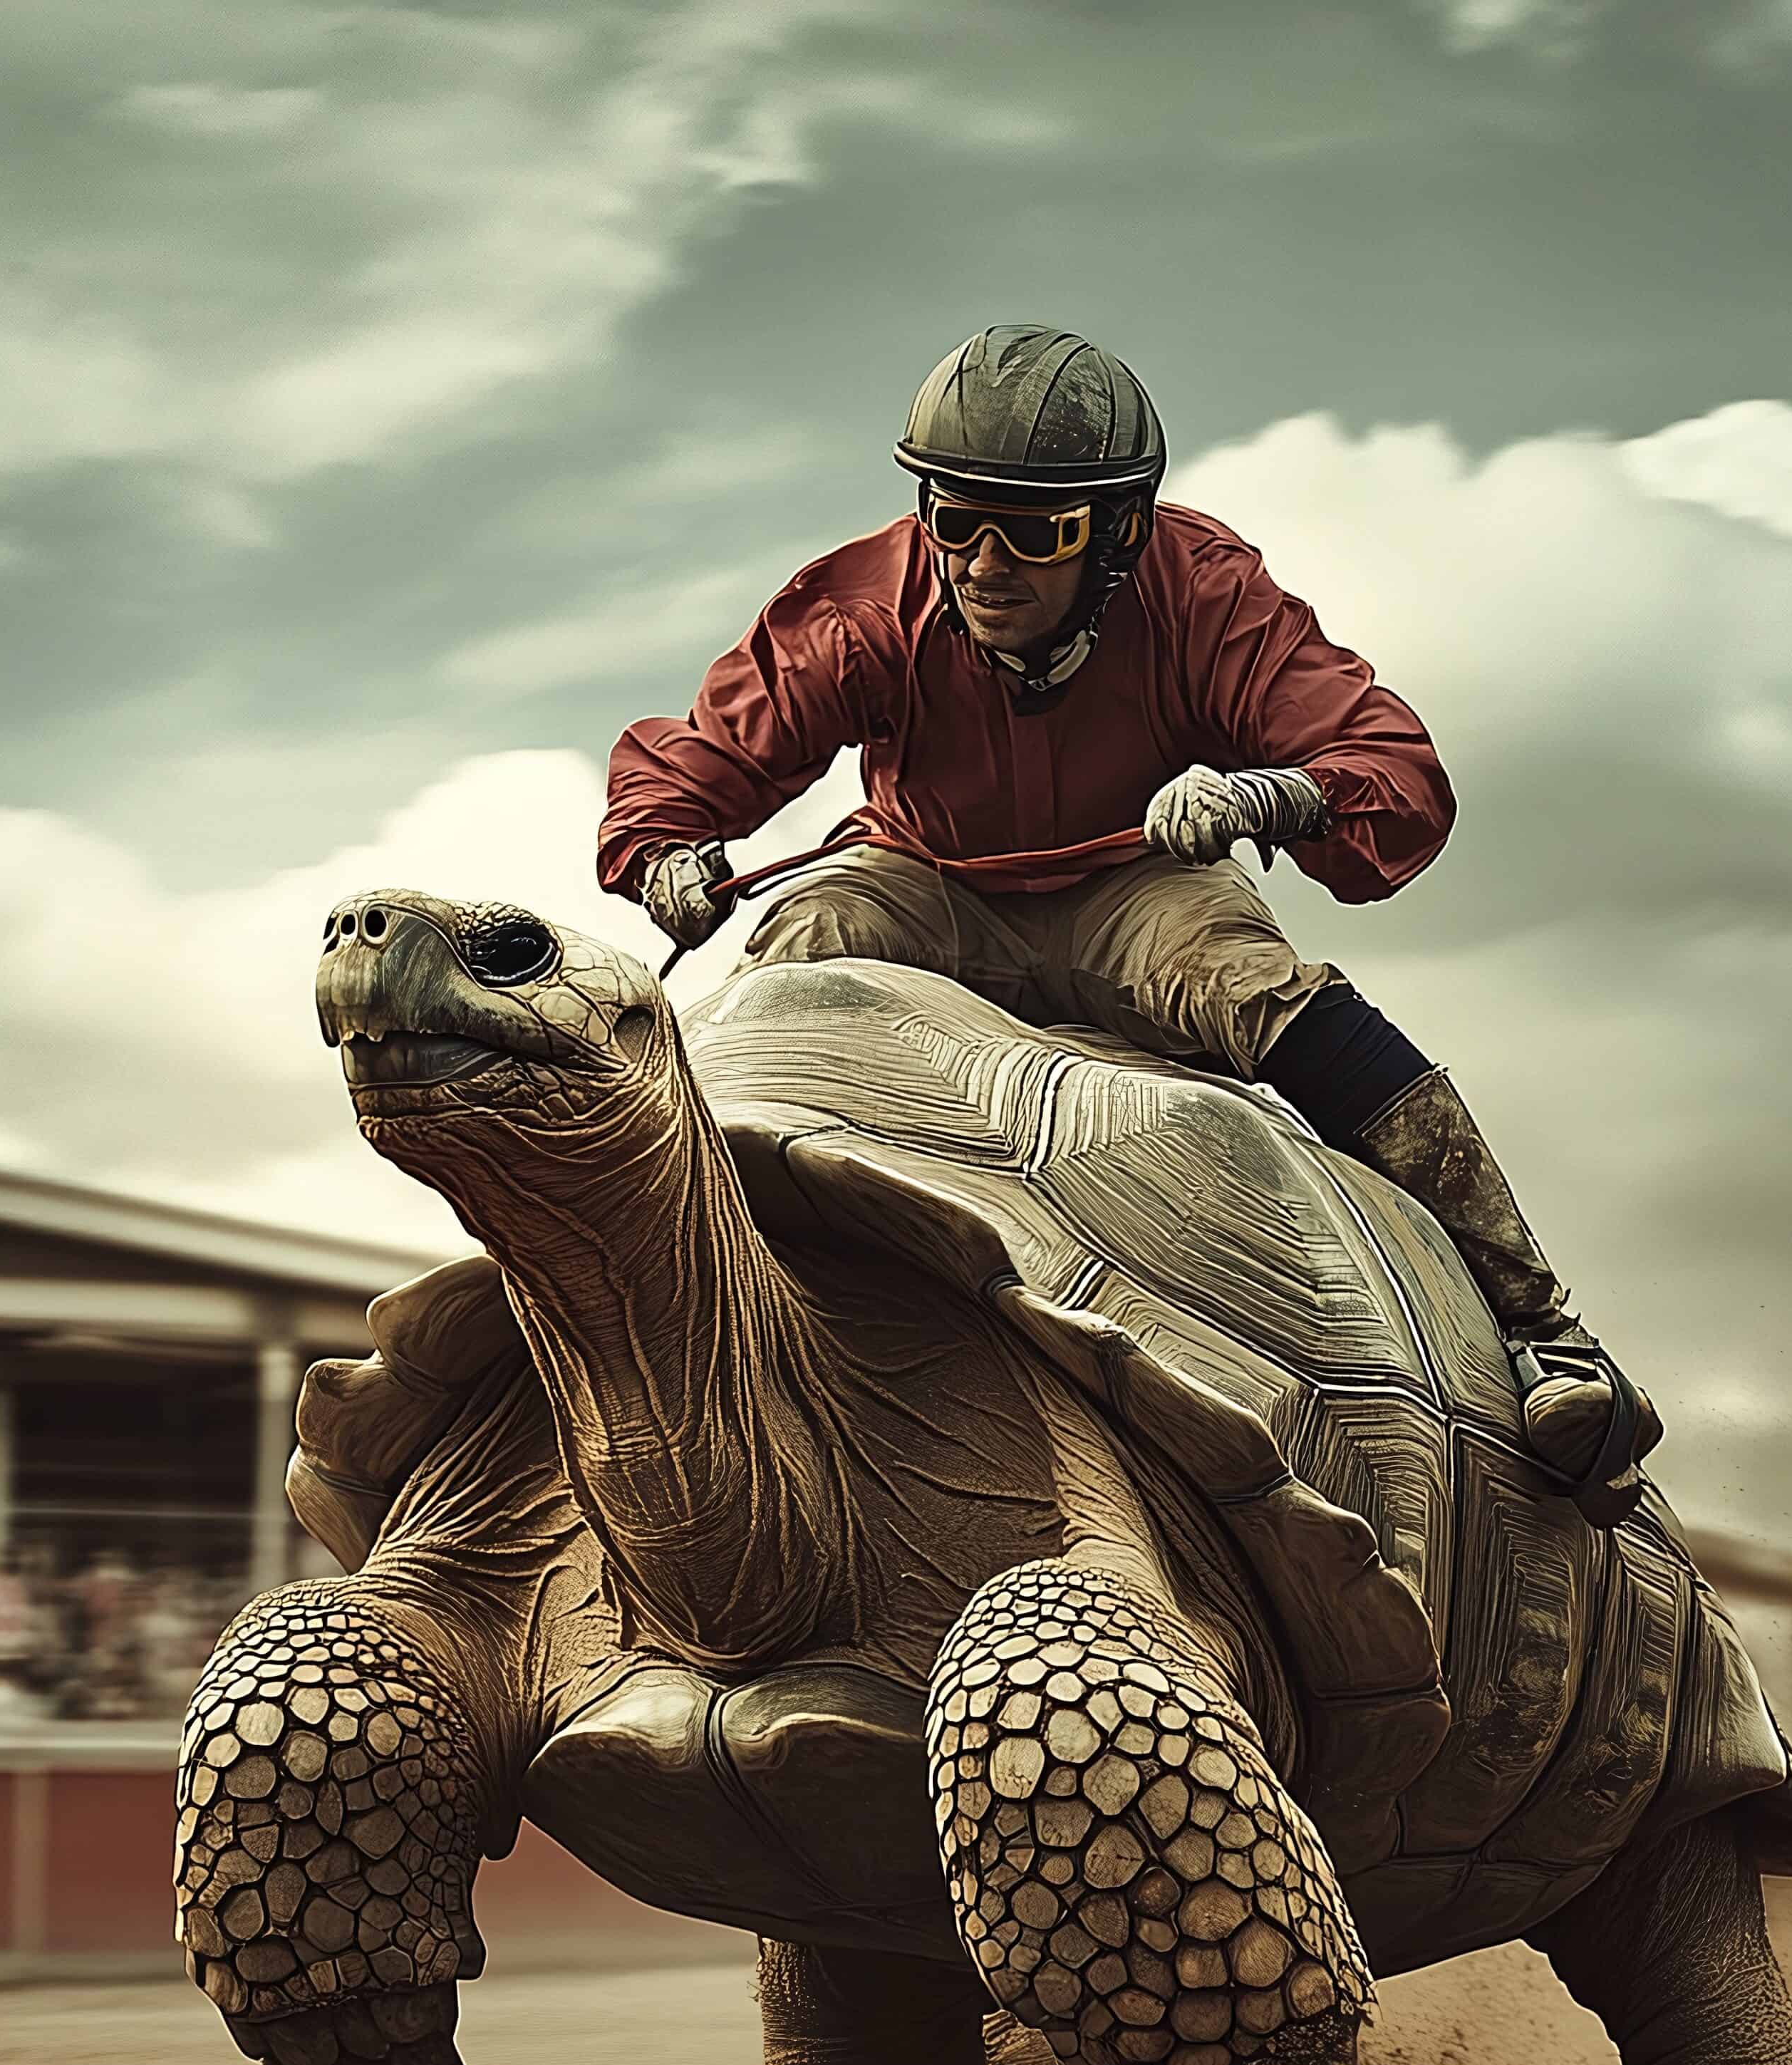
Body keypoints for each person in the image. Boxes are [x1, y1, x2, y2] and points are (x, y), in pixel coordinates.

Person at [600, 324, 1658, 1525]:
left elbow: (1397, 772)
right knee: (792, 957)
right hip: (923, 878)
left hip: (1136, 879)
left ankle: (1544, 1331)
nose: (983, 566)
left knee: (1258, 987)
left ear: (1114, 534)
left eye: (1034, 534)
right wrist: (665, 855)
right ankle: (658, 1277)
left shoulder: (1206, 591)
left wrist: (1275, 796)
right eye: (956, 519)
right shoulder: (861, 606)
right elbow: (691, 769)